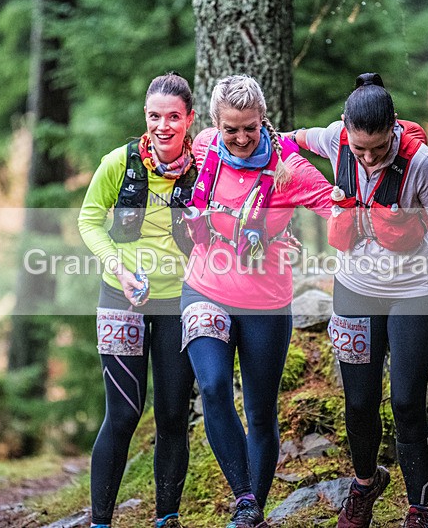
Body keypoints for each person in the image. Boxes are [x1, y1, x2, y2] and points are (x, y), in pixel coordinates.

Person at [290, 73, 428, 528]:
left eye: (378, 147)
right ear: (346, 128)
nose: (367, 158)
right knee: (359, 402)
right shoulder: (338, 139)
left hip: (417, 292)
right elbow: (297, 139)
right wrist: (266, 137)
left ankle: (419, 510)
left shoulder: (423, 165)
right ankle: (365, 486)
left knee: (407, 401)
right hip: (354, 290)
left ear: (394, 128)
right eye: (359, 148)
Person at [181, 74, 332, 528]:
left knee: (261, 412)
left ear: (264, 120)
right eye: (232, 129)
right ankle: (246, 498)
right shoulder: (205, 146)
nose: (242, 138)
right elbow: (163, 155)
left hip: (265, 300)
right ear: (216, 125)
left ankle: (252, 514)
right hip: (204, 287)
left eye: (251, 127)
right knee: (211, 388)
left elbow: (339, 209)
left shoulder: (290, 169)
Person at [77, 72, 198, 528]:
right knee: (124, 414)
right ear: (144, 117)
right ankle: (101, 522)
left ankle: (167, 518)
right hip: (120, 297)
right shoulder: (118, 163)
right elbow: (89, 222)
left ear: (189, 118)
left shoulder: (204, 166)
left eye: (173, 117)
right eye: (154, 116)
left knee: (171, 415)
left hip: (178, 302)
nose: (163, 126)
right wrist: (117, 267)